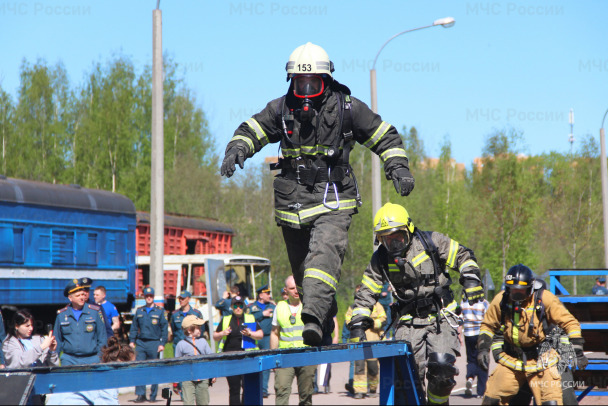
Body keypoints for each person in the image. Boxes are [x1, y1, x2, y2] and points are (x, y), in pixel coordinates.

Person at [220, 42, 415, 346]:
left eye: (314, 83)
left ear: (327, 82)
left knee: (322, 258)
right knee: (303, 276)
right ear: (292, 83)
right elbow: (252, 128)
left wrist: (398, 167)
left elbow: (384, 135)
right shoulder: (281, 108)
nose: (307, 90)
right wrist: (238, 148)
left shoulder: (348, 108)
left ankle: (312, 318)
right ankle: (324, 314)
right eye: (301, 83)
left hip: (334, 200)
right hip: (292, 204)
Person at [348, 203, 484, 405]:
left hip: (441, 317)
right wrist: (358, 322)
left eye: (397, 236)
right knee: (407, 378)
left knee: (442, 368)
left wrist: (471, 279)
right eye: (386, 239)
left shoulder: (432, 242)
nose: (393, 243)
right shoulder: (381, 259)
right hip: (407, 321)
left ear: (409, 230)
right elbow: (368, 289)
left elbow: (464, 255)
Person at [477, 264, 588, 405]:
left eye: (521, 290)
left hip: (543, 361)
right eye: (512, 289)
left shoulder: (544, 299)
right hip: (512, 361)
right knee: (491, 400)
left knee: (552, 402)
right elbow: (488, 325)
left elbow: (570, 323)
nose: (516, 294)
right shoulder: (501, 300)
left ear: (530, 288)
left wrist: (577, 351)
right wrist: (483, 349)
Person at [46, 336, 136, 405]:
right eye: (131, 364)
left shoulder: (99, 371)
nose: (133, 369)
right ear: (121, 362)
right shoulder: (108, 380)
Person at [271, 275, 317, 405]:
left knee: (306, 394)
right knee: (281, 391)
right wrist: (274, 356)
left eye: (298, 287)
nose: (296, 291)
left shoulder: (310, 306)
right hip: (285, 356)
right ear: (286, 290)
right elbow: (275, 333)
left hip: (306, 355)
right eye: (292, 288)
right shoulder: (279, 307)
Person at [213, 295, 263, 405]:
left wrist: (250, 333)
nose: (238, 308)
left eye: (240, 305)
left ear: (243, 306)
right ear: (232, 306)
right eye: (235, 305)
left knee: (247, 387)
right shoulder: (226, 319)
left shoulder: (250, 318)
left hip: (247, 358)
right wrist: (223, 333)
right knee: (234, 388)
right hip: (231, 359)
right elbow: (215, 336)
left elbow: (260, 335)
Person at [345, 285, 386, 399]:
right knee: (359, 367)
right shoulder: (353, 307)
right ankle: (360, 391)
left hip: (373, 342)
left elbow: (384, 319)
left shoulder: (377, 306)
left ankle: (373, 388)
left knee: (373, 368)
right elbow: (348, 321)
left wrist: (372, 323)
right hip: (358, 342)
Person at [129, 286, 169, 403]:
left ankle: (153, 395)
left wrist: (162, 343)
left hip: (154, 343)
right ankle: (141, 395)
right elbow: (134, 327)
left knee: (154, 370)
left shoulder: (159, 311)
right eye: (147, 296)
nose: (149, 298)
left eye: (151, 296)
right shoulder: (139, 311)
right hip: (141, 343)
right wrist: (132, 341)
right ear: (144, 297)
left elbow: (164, 329)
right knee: (140, 368)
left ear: (153, 297)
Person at [54, 279, 107, 365]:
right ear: (70, 298)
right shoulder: (62, 315)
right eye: (78, 295)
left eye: (83, 294)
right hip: (69, 359)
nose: (82, 297)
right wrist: (54, 360)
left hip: (91, 359)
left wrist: (100, 357)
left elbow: (102, 337)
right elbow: (57, 340)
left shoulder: (94, 312)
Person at [175, 315, 215, 406]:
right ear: (189, 330)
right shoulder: (181, 344)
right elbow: (177, 364)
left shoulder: (203, 342)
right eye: (198, 328)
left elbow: (211, 358)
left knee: (203, 402)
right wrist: (176, 381)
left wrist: (213, 374)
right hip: (187, 379)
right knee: (188, 403)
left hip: (203, 377)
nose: (200, 330)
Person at [248, 284, 276, 398]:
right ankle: (253, 388)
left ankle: (264, 389)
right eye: (267, 293)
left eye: (269, 293)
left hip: (267, 338)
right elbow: (247, 318)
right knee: (252, 362)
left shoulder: (273, 307)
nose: (269, 295)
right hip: (253, 338)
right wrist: (262, 314)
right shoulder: (251, 307)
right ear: (260, 295)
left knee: (265, 363)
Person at [459, 296, 490, 398]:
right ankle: (481, 392)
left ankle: (470, 377)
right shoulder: (484, 303)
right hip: (482, 335)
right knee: (483, 361)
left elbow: (460, 319)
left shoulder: (464, 302)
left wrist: (459, 335)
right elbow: (489, 319)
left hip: (468, 334)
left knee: (471, 359)